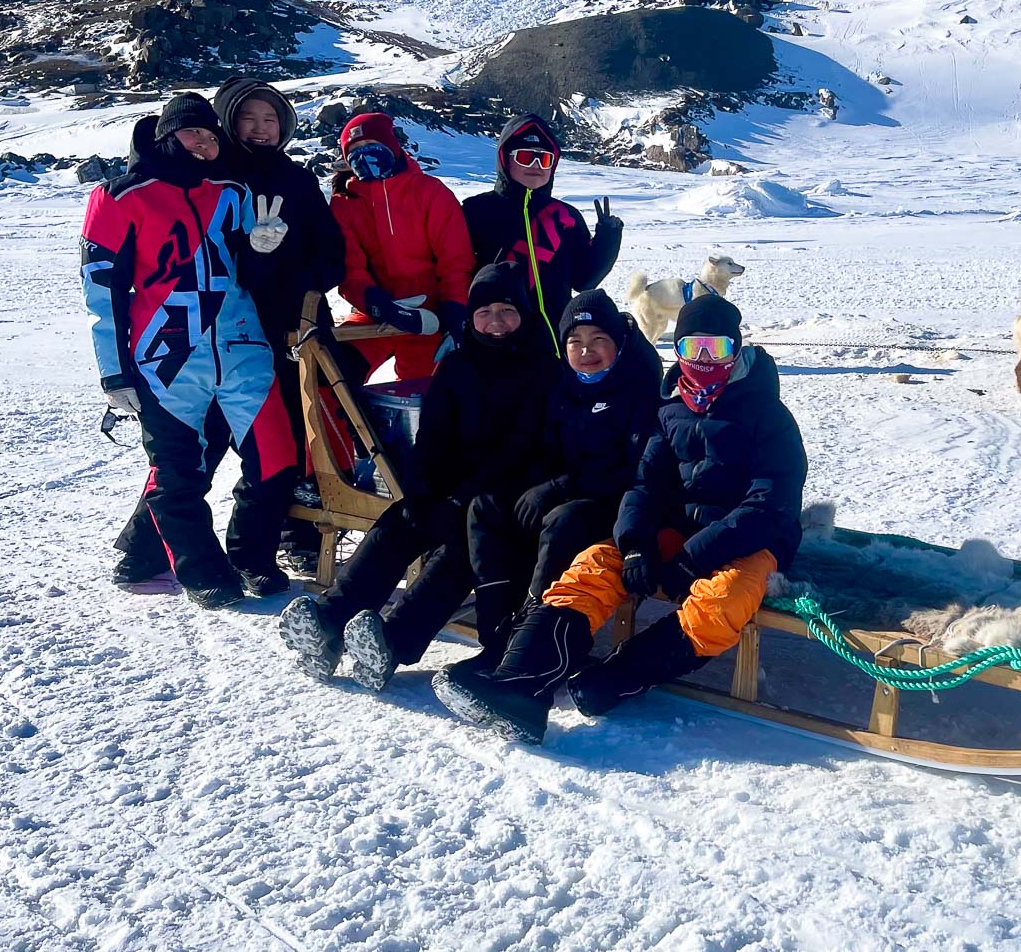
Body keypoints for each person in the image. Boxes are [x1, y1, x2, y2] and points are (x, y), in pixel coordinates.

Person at [434, 293, 806, 744]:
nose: (704, 360)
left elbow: (769, 505)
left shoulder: (769, 415)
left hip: (753, 542)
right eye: (692, 348)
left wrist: (691, 557)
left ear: (736, 349)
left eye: (717, 349)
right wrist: (634, 544)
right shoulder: (671, 410)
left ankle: (611, 679)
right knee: (595, 564)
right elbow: (645, 486)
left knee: (722, 601)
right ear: (678, 349)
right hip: (682, 530)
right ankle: (520, 683)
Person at [278, 262, 556, 689]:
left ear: (524, 315)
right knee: (401, 520)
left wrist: (464, 497)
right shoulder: (459, 365)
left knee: (463, 548)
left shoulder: (545, 372)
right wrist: (427, 488)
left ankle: (392, 642)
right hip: (453, 490)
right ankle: (330, 625)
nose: (496, 323)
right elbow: (433, 437)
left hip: (503, 502)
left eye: (506, 311)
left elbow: (527, 451)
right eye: (485, 312)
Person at [80, 94, 298, 607]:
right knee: (178, 472)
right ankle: (201, 569)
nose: (204, 143)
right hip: (167, 356)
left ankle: (252, 556)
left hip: (243, 348)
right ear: (165, 136)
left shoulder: (231, 190)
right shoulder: (119, 197)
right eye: (192, 133)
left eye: (210, 134)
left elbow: (250, 271)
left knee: (276, 460)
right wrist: (115, 374)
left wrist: (263, 249)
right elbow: (101, 294)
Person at [461, 288, 663, 667]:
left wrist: (556, 488)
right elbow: (539, 445)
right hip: (563, 488)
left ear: (617, 343)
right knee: (485, 507)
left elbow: (631, 469)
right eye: (576, 341)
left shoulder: (638, 389)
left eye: (598, 339)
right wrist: (531, 487)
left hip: (611, 500)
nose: (586, 351)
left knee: (562, 522)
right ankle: (496, 638)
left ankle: (536, 641)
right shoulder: (561, 385)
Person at [212, 76, 345, 572]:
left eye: (271, 118)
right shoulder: (216, 178)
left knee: (309, 433)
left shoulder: (296, 179)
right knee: (222, 438)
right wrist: (255, 258)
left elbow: (332, 254)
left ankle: (300, 534)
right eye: (249, 117)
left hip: (302, 325)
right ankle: (152, 541)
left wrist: (301, 284)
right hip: (232, 329)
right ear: (228, 120)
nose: (261, 128)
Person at [459, 114, 623, 357]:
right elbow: (456, 272)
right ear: (505, 159)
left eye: (544, 159)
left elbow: (584, 281)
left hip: (554, 344)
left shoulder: (565, 216)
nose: (536, 165)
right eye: (526, 157)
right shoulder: (475, 210)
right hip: (491, 340)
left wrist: (607, 238)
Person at [329, 112, 474, 382]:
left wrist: (454, 309)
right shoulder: (344, 204)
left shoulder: (430, 192)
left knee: (430, 394)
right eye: (355, 151)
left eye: (372, 145)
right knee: (331, 375)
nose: (365, 155)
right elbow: (349, 268)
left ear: (392, 147)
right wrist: (378, 306)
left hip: (431, 318)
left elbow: (455, 259)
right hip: (375, 315)